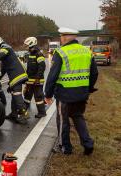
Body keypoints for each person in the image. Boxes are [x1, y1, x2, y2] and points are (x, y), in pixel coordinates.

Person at [44, 27, 98, 155]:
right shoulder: (86, 51)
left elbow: (53, 75)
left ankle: (65, 147)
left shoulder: (61, 52)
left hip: (64, 94)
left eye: (61, 37)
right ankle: (88, 144)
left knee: (63, 121)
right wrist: (88, 88)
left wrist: (48, 94)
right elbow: (94, 73)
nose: (61, 39)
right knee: (78, 117)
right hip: (81, 94)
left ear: (64, 37)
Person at [0, 36, 29, 124]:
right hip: (15, 76)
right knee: (14, 95)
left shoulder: (5, 47)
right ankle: (13, 114)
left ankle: (24, 114)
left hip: (17, 75)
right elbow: (4, 69)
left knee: (17, 95)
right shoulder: (5, 54)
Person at [23, 37, 47, 118]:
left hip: (37, 81)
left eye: (27, 45)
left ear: (31, 44)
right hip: (30, 81)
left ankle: (42, 112)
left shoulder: (39, 54)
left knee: (38, 98)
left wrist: (37, 78)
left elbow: (42, 67)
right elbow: (29, 68)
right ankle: (23, 112)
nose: (25, 47)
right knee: (27, 96)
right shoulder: (30, 54)